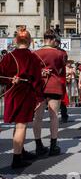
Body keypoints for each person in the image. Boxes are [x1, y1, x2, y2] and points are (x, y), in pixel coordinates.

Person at [0, 27, 44, 168]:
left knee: (18, 124)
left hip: (12, 92)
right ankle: (17, 159)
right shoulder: (32, 57)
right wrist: (39, 98)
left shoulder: (8, 56)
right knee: (21, 126)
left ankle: (21, 151)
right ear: (30, 41)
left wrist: (9, 80)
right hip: (25, 93)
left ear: (16, 40)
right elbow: (37, 80)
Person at [33, 30, 67, 156]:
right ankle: (53, 145)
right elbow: (61, 68)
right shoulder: (59, 53)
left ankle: (38, 145)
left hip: (39, 86)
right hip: (54, 85)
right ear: (53, 39)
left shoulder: (35, 53)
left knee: (38, 117)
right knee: (54, 116)